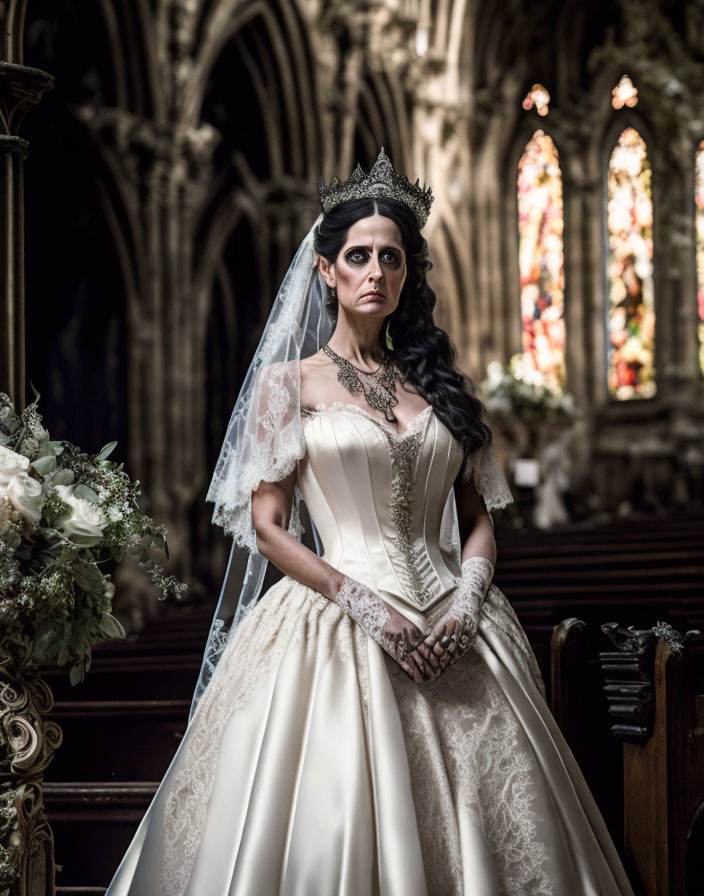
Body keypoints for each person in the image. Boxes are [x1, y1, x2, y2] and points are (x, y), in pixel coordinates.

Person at [105, 150, 634, 895]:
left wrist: (470, 597)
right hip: (333, 620)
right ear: (326, 270)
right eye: (358, 256)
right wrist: (362, 604)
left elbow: (477, 518)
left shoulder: (442, 386)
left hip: (459, 623)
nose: (376, 272)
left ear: (408, 274)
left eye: (392, 258)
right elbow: (270, 527)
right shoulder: (288, 385)